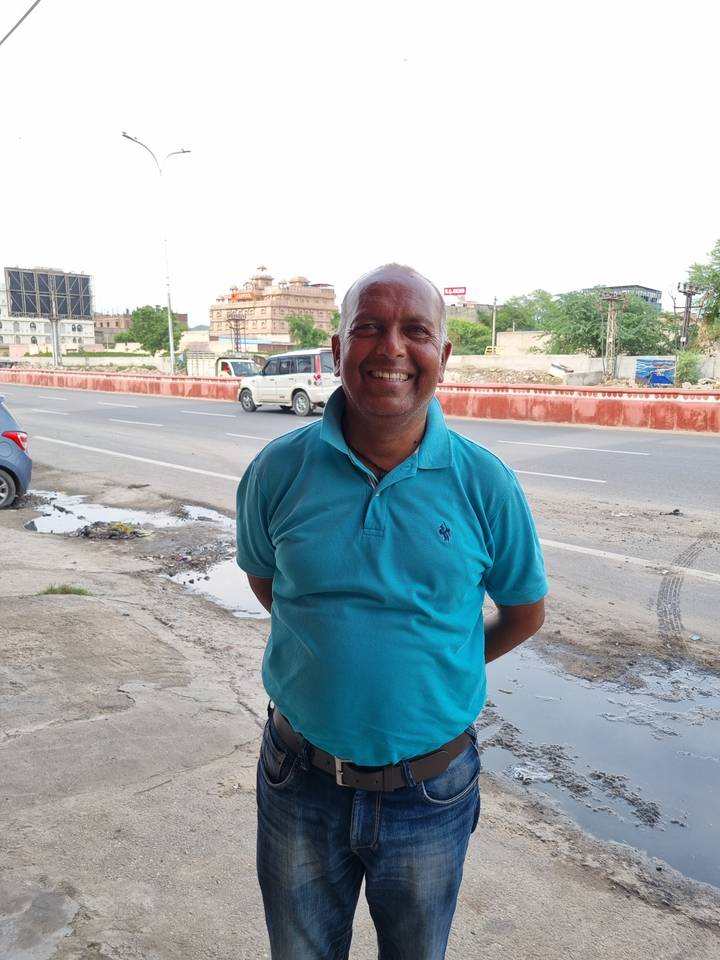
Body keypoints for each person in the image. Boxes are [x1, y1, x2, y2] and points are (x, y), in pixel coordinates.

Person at [236, 264, 547, 960]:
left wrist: (440, 662)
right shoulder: (277, 471)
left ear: (444, 353)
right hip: (299, 782)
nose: (391, 350)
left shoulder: (484, 483)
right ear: (338, 346)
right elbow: (271, 586)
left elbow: (525, 613)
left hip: (431, 791)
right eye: (368, 328)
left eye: (416, 332)